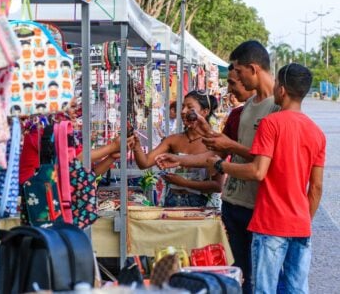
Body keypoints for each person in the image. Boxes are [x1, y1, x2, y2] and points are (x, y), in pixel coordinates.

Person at [155, 40, 278, 294]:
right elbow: (220, 151)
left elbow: (265, 162)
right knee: (239, 273)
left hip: (259, 208)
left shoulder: (277, 107)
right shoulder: (246, 109)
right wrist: (183, 158)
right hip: (234, 203)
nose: (235, 81)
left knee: (261, 281)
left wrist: (225, 152)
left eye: (237, 73)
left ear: (253, 69)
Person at [206, 63, 325, 294]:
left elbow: (258, 171)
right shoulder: (316, 132)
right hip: (300, 225)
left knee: (264, 289)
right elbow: (317, 187)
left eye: (277, 83)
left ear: (282, 90)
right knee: (296, 289)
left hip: (271, 224)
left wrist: (221, 164)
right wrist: (303, 220)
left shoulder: (271, 123)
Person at [133, 91, 225, 207]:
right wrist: (136, 144)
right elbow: (144, 163)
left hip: (201, 205)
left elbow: (217, 186)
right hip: (172, 201)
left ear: (205, 112)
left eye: (189, 107)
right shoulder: (173, 140)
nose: (183, 111)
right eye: (183, 107)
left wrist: (185, 183)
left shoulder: (214, 142)